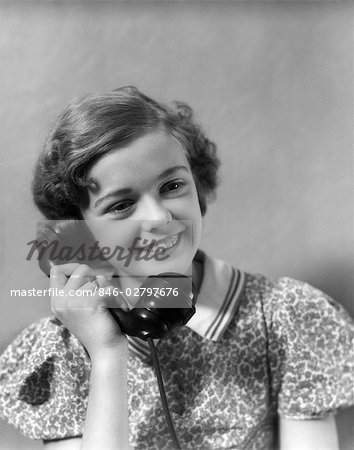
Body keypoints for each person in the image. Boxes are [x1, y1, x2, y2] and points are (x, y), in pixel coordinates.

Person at [0, 86, 353, 450]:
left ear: (198, 187)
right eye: (121, 205)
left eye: (171, 186)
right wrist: (106, 353)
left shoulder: (285, 318)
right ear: (78, 231)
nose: (159, 216)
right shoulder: (66, 349)